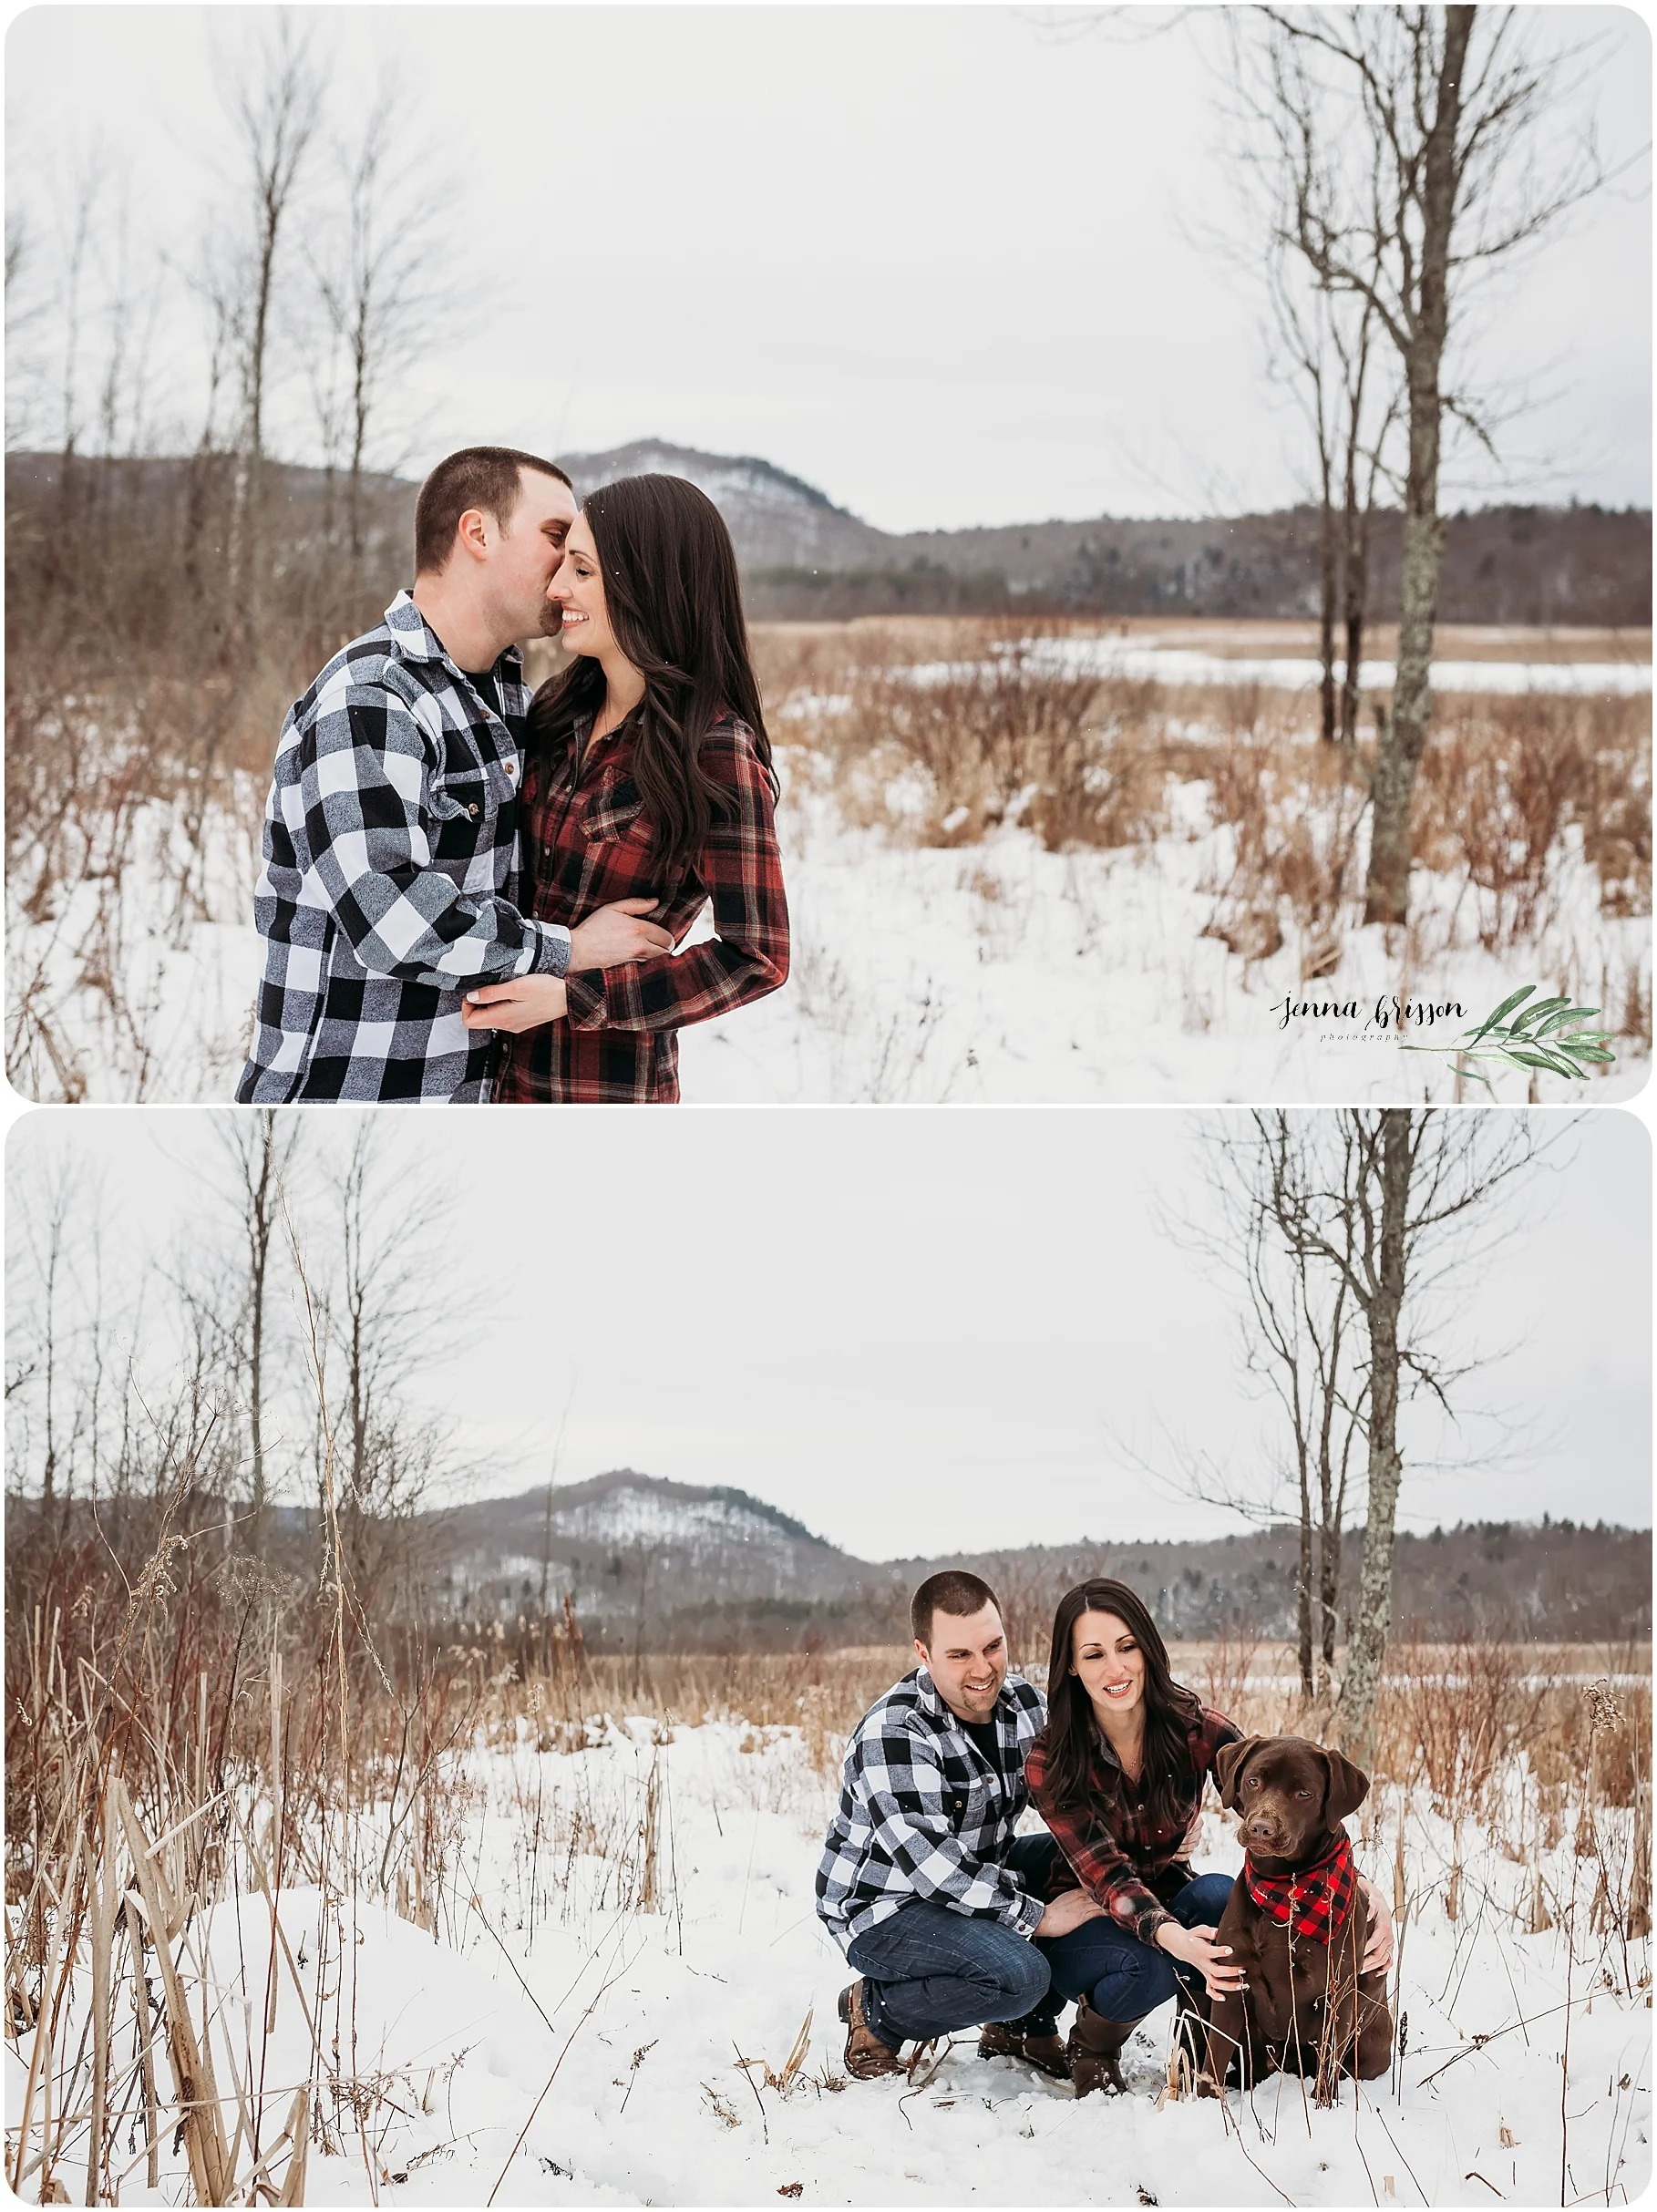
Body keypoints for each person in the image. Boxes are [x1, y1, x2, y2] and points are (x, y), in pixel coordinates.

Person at [237, 447, 673, 1103]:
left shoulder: (508, 696)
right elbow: (390, 918)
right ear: (477, 533)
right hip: (349, 1104)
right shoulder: (373, 697)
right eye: (556, 538)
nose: (571, 569)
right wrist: (571, 950)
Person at [459, 473, 789, 1103]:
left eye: (581, 571)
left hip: (606, 1091)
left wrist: (571, 994)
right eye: (563, 568)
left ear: (647, 585)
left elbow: (758, 956)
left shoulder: (713, 749)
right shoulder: (559, 709)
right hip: (492, 1078)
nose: (557, 590)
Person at [1024, 1579, 1395, 2095]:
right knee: (1151, 1961)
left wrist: (1360, 1891)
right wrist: (1178, 1940)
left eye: (1127, 1646)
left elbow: (1293, 1799)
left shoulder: (1196, 1730)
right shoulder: (1052, 1759)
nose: (1116, 1668)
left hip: (1170, 1889)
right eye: (1094, 1654)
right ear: (1070, 1666)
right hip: (1089, 1914)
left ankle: (1198, 2046)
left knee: (1222, 1897)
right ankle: (1095, 2044)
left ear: (1148, 1649)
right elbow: (1109, 1879)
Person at [815, 1572, 1105, 2083]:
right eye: (959, 1655)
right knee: (1020, 1974)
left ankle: (1019, 2030)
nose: (982, 1670)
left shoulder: (1025, 1707)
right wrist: (1037, 1916)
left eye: (993, 1647)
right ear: (923, 1653)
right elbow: (937, 1873)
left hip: (977, 1872)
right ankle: (878, 2010)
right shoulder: (896, 1733)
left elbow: (1089, 1782)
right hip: (885, 1908)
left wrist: (1158, 1817)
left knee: (1083, 1869)